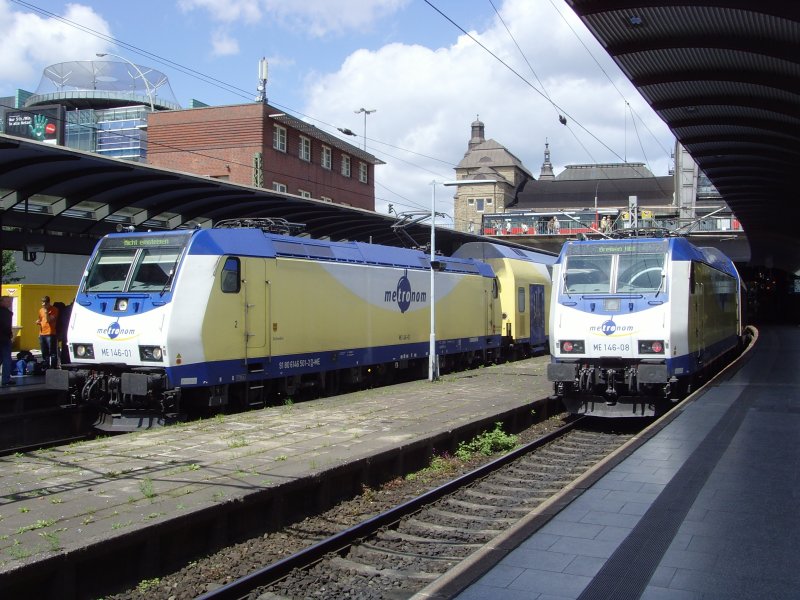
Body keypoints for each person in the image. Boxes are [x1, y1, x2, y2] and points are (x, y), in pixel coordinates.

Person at [36, 296, 59, 370]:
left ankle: (53, 366)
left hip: (50, 333)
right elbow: (41, 320)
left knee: (52, 351)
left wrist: (46, 312)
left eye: (45, 303)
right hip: (42, 333)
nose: (43, 305)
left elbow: (49, 320)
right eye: (42, 303)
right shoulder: (41, 310)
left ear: (48, 303)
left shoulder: (54, 310)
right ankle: (46, 365)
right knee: (44, 351)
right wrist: (38, 322)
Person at [0, 296, 15, 386]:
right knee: (6, 359)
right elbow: (6, 326)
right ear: (2, 302)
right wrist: (10, 334)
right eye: (8, 301)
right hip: (4, 338)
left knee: (1, 358)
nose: (10, 303)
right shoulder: (6, 313)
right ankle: (5, 379)